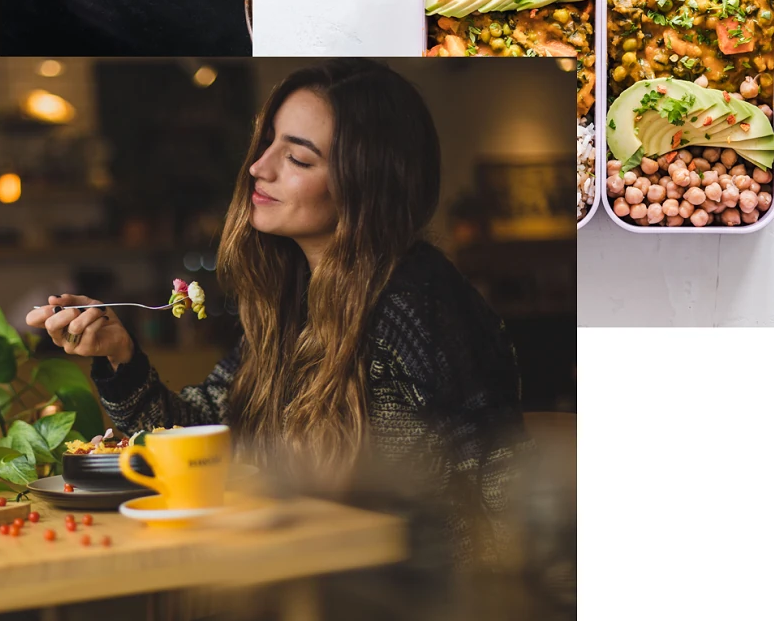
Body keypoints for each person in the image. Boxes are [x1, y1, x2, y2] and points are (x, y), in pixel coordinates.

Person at [26, 60, 524, 561]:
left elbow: (503, 490)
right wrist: (119, 355)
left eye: (299, 160)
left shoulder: (419, 304)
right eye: (268, 144)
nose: (259, 168)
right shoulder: (293, 298)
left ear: (366, 184)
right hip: (305, 572)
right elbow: (204, 433)